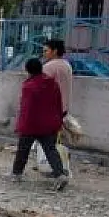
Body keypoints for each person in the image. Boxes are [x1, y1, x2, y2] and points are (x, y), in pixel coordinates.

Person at [6, 58, 69, 190]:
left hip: (31, 124)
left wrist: (20, 126)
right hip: (49, 124)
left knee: (23, 150)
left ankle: (16, 174)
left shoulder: (28, 86)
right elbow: (59, 104)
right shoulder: (52, 84)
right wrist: (59, 120)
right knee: (51, 150)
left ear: (28, 70)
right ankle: (60, 175)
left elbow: (26, 108)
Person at [34, 39, 75, 175]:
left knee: (46, 142)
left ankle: (57, 170)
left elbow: (39, 87)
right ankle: (55, 167)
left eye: (46, 50)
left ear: (55, 51)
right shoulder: (67, 65)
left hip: (49, 109)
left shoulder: (49, 67)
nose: (44, 53)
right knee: (52, 140)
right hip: (62, 109)